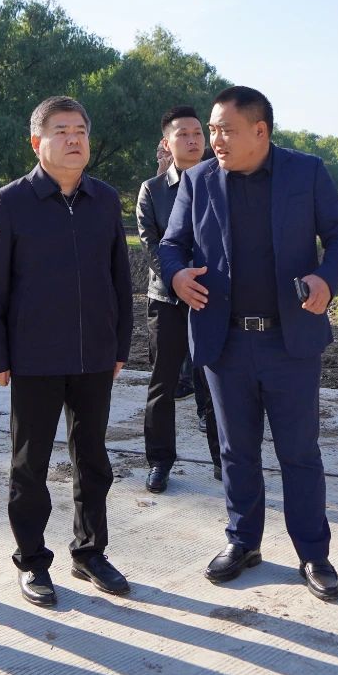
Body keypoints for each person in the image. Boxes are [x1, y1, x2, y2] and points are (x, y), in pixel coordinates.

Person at [159, 85, 338, 602]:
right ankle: (243, 542)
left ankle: (313, 554)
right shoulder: (198, 181)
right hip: (225, 342)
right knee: (236, 451)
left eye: (225, 130)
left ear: (260, 131)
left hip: (290, 341)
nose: (215, 140)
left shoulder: (305, 173)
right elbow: (171, 243)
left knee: (299, 452)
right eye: (212, 130)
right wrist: (177, 276)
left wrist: (325, 280)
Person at [0, 95, 133, 607]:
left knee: (94, 461)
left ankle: (90, 552)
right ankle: (31, 560)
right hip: (35, 358)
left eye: (80, 131)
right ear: (36, 142)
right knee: (31, 466)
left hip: (95, 356)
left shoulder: (104, 200)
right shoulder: (11, 202)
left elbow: (119, 278)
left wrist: (120, 344)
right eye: (61, 131)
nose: (73, 140)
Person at [136, 105, 222, 493]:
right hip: (166, 300)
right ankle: (159, 462)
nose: (192, 140)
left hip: (211, 298)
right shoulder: (152, 191)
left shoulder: (222, 181)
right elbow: (151, 245)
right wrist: (177, 278)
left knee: (215, 383)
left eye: (197, 133)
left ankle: (224, 460)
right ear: (166, 143)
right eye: (182, 134)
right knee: (163, 384)